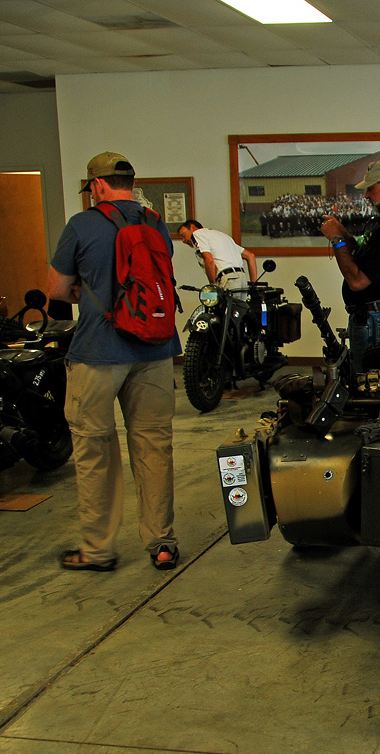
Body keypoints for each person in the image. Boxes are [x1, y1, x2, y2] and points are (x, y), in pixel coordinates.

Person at [47, 152, 181, 573]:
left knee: (95, 449)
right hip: (156, 350)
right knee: (154, 446)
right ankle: (161, 542)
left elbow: (56, 289)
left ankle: (98, 549)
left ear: (98, 185)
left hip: (97, 353)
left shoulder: (81, 224)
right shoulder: (154, 221)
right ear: (129, 182)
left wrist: (93, 297)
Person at [319, 160, 380, 372]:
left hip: (377, 320)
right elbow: (362, 255)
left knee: (370, 385)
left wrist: (337, 240)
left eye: (370, 189)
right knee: (369, 383)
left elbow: (357, 280)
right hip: (376, 317)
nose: (366, 195)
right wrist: (343, 233)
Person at [177, 219, 257, 290]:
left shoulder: (197, 234)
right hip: (242, 279)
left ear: (192, 227)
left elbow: (209, 260)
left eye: (183, 235)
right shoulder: (222, 236)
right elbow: (250, 256)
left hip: (227, 279)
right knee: (238, 307)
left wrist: (213, 285)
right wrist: (254, 285)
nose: (183, 240)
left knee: (223, 306)